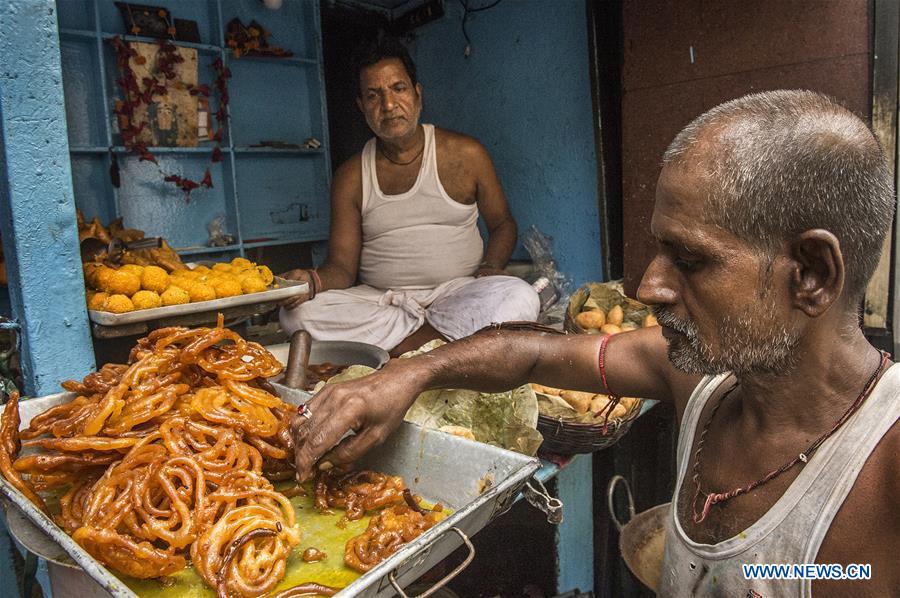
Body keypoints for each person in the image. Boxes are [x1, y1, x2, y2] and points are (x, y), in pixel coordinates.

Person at [290, 90, 899, 597]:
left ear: (812, 274)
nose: (649, 286)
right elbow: (529, 352)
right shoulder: (701, 380)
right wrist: (408, 374)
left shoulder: (883, 462)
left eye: (688, 260)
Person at [279, 37, 539, 356]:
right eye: (374, 95)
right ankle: (440, 349)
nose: (388, 106)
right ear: (362, 107)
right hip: (384, 302)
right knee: (296, 314)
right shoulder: (351, 176)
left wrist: (491, 266)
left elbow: (503, 224)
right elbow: (342, 268)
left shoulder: (466, 154)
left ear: (417, 94)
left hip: (458, 292)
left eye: (398, 89)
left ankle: (400, 354)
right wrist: (312, 282)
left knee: (519, 296)